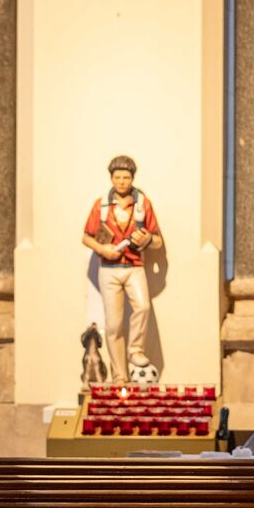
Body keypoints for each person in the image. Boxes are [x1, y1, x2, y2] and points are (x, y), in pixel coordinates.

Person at [82, 155, 163, 384]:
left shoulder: (142, 204)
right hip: (109, 269)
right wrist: (103, 249)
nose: (121, 182)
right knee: (114, 324)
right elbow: (86, 237)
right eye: (117, 177)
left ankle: (135, 350)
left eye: (126, 177)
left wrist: (147, 239)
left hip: (134, 266)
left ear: (132, 178)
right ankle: (119, 374)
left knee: (143, 306)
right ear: (111, 178)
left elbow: (158, 241)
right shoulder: (101, 206)